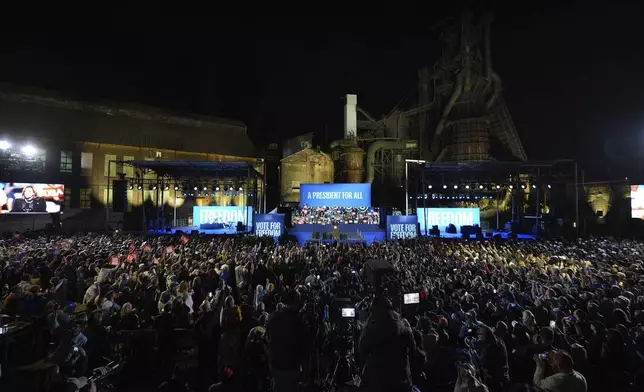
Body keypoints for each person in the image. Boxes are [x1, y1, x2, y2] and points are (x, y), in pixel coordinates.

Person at [358, 296, 416, 392]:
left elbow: (361, 350)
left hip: (379, 380)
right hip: (402, 379)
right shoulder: (404, 325)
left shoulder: (371, 329)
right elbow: (413, 351)